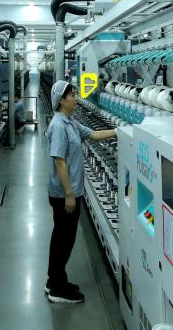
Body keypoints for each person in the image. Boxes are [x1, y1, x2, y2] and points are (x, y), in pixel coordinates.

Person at [45, 80, 117, 304]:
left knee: (63, 238)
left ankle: (55, 280)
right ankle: (57, 288)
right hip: (64, 195)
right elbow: (59, 161)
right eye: (73, 95)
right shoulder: (58, 125)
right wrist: (69, 194)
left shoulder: (71, 123)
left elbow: (93, 135)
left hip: (71, 192)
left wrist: (120, 131)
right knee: (63, 240)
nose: (76, 98)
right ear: (62, 100)